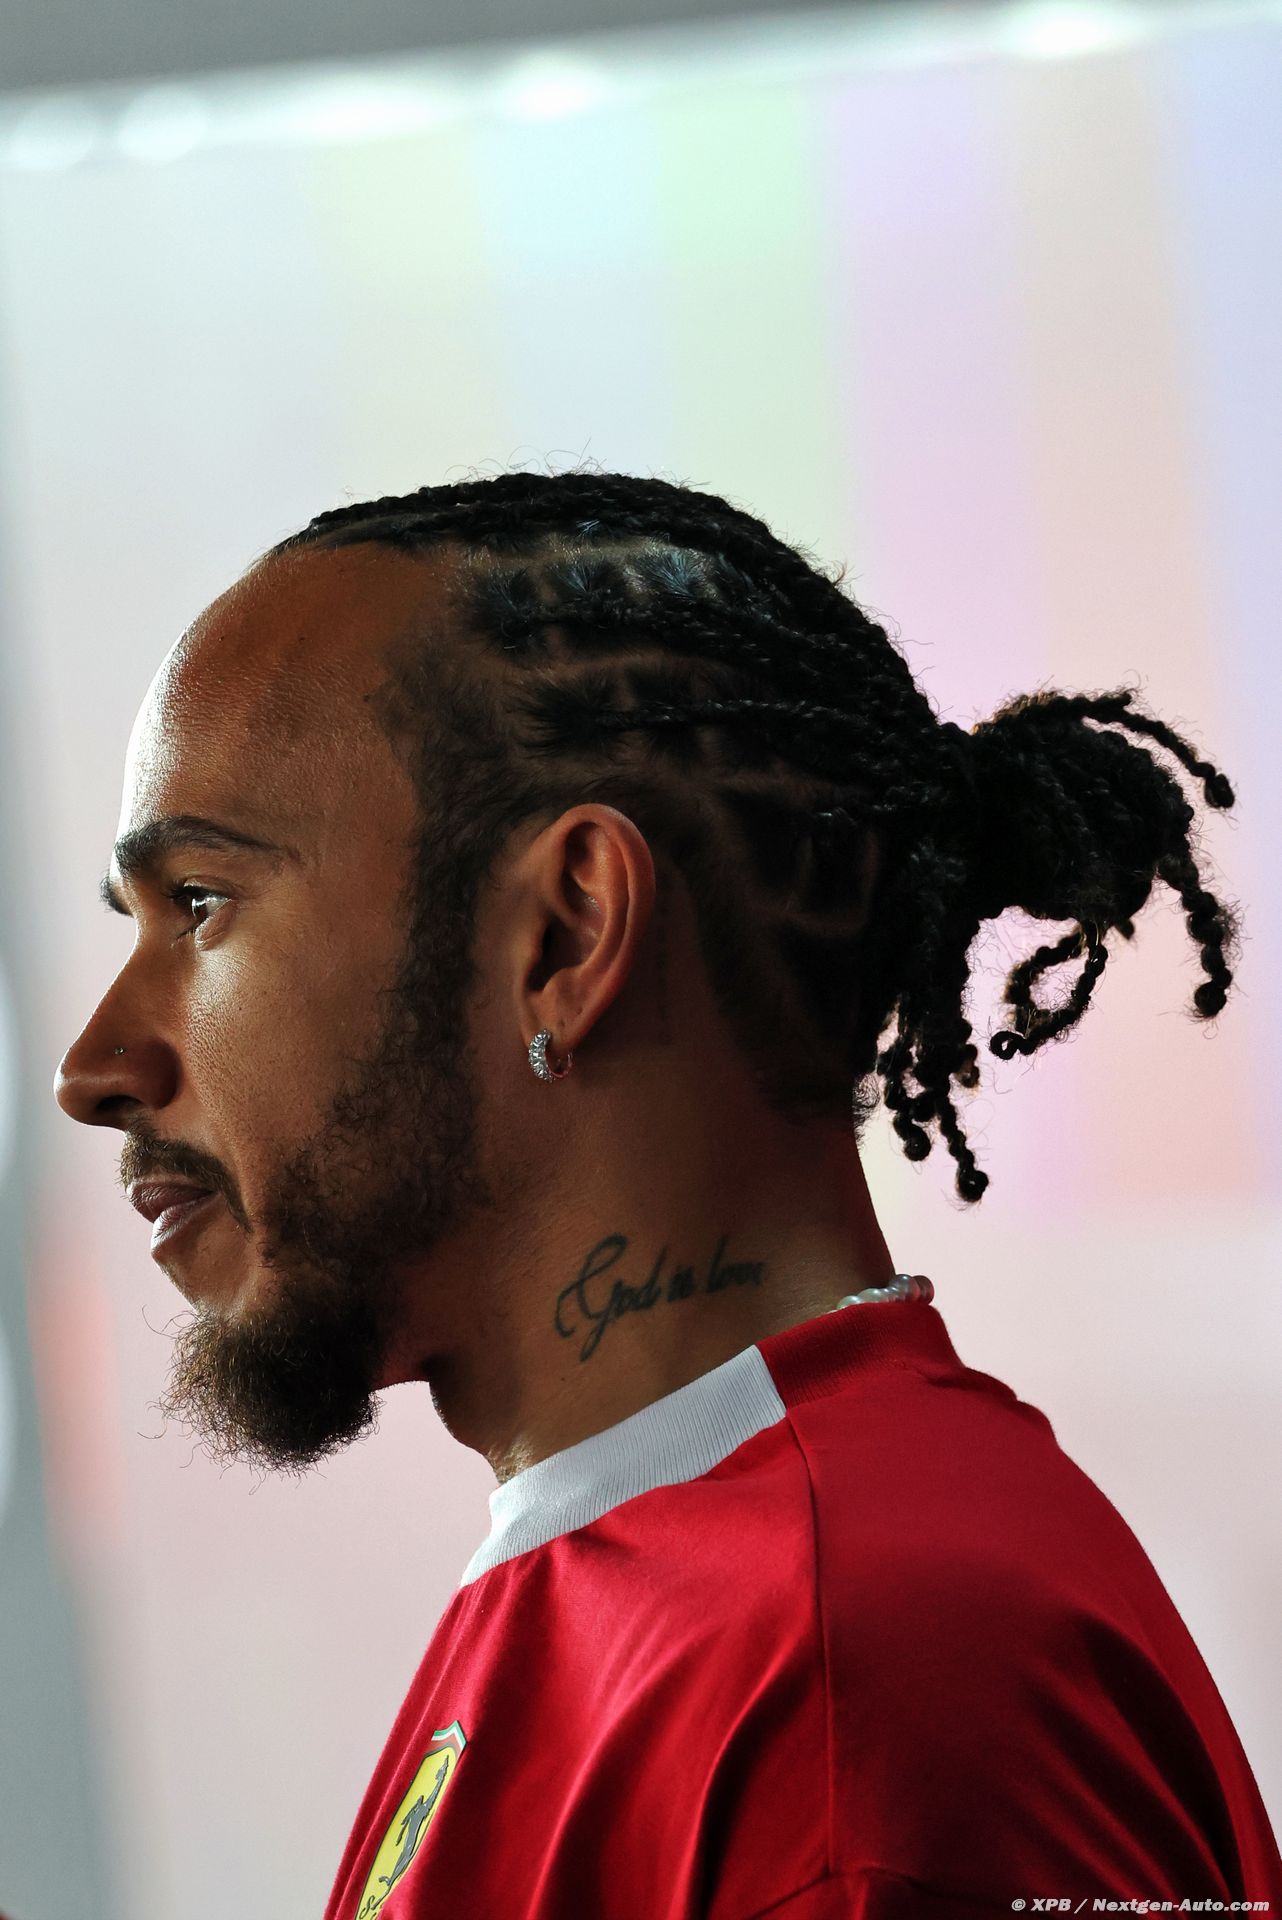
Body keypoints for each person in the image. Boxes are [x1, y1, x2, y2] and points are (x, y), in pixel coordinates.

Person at [55, 470, 1280, 1919]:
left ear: (566, 932)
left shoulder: (852, 1689)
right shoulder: (671, 1573)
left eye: (200, 905)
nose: (96, 1068)